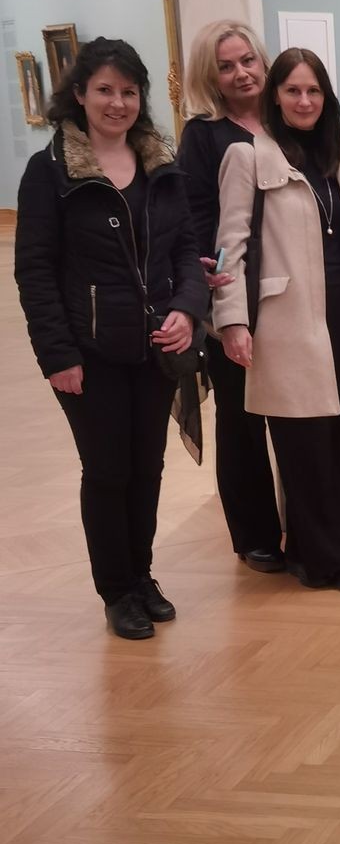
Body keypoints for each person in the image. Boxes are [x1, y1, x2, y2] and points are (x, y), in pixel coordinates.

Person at [16, 38, 206, 638]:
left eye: (128, 91)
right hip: (89, 355)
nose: (117, 102)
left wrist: (186, 309)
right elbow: (35, 270)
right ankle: (115, 589)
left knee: (147, 468)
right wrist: (58, 356)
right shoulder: (50, 171)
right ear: (79, 94)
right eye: (105, 90)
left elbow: (186, 250)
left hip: (154, 349)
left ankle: (141, 575)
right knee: (107, 470)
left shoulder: (160, 163)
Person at [213, 49, 340, 594]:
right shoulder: (249, 158)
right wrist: (231, 321)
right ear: (275, 98)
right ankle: (336, 559)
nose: (305, 101)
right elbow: (230, 248)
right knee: (303, 442)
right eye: (293, 91)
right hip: (287, 320)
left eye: (314, 91)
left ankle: (308, 552)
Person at [174, 20, 285, 572]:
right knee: (242, 422)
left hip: (293, 293)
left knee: (295, 414)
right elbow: (195, 218)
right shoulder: (204, 135)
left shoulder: (291, 118)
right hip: (233, 293)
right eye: (226, 65)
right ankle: (255, 535)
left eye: (248, 60)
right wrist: (215, 293)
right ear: (210, 77)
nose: (241, 73)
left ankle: (307, 521)